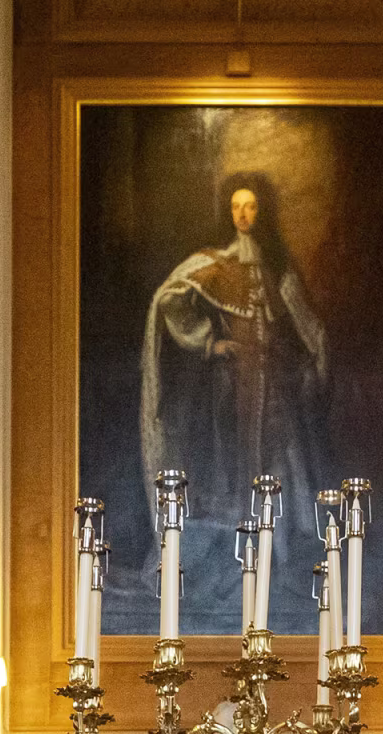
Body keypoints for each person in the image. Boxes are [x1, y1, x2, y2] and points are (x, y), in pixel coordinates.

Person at [140, 179, 328, 539]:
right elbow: (169, 300)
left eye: (251, 206)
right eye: (236, 206)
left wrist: (310, 364)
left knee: (279, 459)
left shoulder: (277, 269)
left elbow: (305, 326)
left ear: (262, 212)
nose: (243, 213)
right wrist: (210, 343)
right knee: (234, 461)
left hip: (275, 388)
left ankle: (279, 550)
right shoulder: (216, 264)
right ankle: (242, 548)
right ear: (229, 213)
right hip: (233, 386)